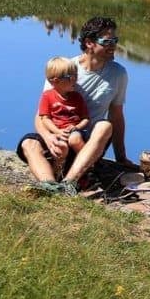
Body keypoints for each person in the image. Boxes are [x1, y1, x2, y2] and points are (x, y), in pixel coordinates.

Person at [27, 16, 132, 180]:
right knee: (28, 144)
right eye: (107, 42)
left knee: (105, 126)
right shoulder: (64, 68)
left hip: (88, 142)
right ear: (89, 43)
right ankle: (49, 185)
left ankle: (70, 182)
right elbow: (41, 115)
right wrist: (49, 138)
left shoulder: (119, 74)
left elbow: (116, 116)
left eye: (114, 40)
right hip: (59, 136)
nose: (113, 46)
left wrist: (121, 157)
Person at [16, 57, 99, 194]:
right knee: (60, 149)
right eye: (70, 77)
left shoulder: (77, 97)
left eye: (76, 75)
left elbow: (85, 118)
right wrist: (56, 131)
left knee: (75, 139)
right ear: (54, 81)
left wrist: (76, 127)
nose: (75, 80)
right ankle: (54, 181)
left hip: (74, 130)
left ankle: (89, 168)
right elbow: (45, 118)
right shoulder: (47, 96)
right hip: (57, 133)